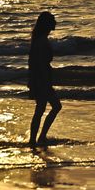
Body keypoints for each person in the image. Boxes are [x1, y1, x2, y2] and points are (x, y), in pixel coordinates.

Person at [28, 11, 62, 147]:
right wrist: (41, 82)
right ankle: (37, 138)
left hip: (42, 79)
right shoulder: (41, 41)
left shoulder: (40, 39)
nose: (55, 22)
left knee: (43, 109)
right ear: (47, 23)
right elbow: (37, 63)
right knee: (48, 108)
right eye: (52, 20)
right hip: (42, 80)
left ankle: (38, 138)